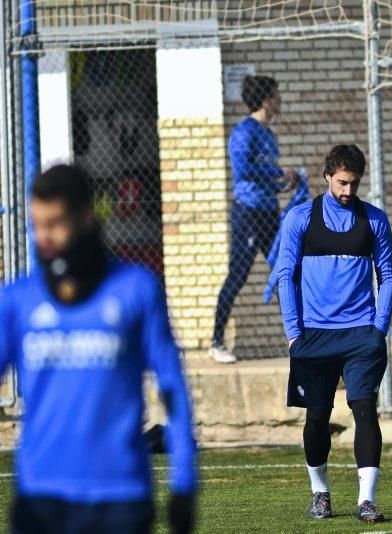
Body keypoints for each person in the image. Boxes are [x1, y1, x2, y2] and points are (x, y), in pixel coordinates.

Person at [3, 165, 197, 533]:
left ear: (87, 216)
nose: (43, 236)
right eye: (36, 224)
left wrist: (184, 480)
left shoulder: (136, 288)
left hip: (121, 497)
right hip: (40, 497)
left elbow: (172, 387)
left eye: (55, 223)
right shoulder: (17, 299)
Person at [277, 144, 392, 523]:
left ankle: (366, 500)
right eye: (342, 182)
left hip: (361, 335)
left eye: (354, 184)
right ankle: (320, 492)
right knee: (316, 417)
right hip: (313, 336)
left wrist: (378, 329)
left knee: (365, 411)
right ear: (327, 175)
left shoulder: (374, 220)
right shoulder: (299, 218)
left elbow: (388, 276)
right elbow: (286, 277)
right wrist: (294, 333)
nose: (347, 190)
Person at [209, 75, 299, 364]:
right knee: (238, 275)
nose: (280, 100)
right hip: (248, 214)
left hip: (268, 212)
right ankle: (216, 342)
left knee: (287, 271)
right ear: (266, 99)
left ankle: (301, 338)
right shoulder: (244, 132)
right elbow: (243, 171)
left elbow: (267, 179)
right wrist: (277, 174)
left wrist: (285, 183)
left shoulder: (268, 134)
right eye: (276, 95)